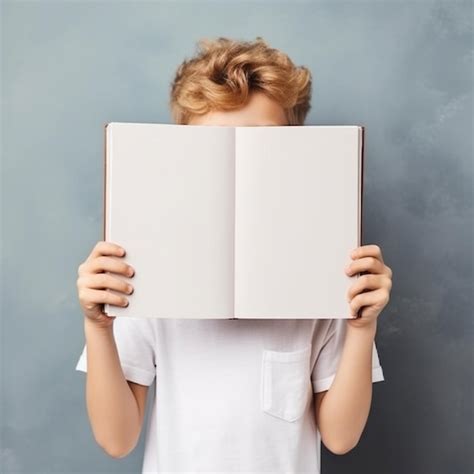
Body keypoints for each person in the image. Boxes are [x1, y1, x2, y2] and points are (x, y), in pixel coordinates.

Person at [75, 36, 392, 473]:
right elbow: (116, 439)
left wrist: (362, 328)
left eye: (262, 145)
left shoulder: (325, 277)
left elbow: (339, 437)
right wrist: (97, 326)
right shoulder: (142, 273)